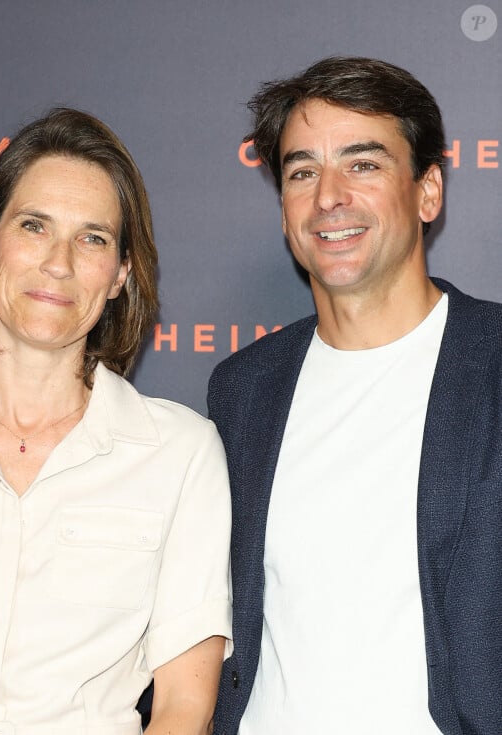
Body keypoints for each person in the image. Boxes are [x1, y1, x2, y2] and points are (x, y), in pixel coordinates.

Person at [208, 57, 501, 735]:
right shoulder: (242, 389)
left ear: (428, 192)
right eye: (302, 171)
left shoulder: (491, 365)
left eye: (363, 165)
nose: (328, 196)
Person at [0, 107, 232, 735]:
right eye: (34, 226)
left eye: (92, 238)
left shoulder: (180, 454)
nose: (58, 262)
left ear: (120, 274)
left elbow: (182, 707)